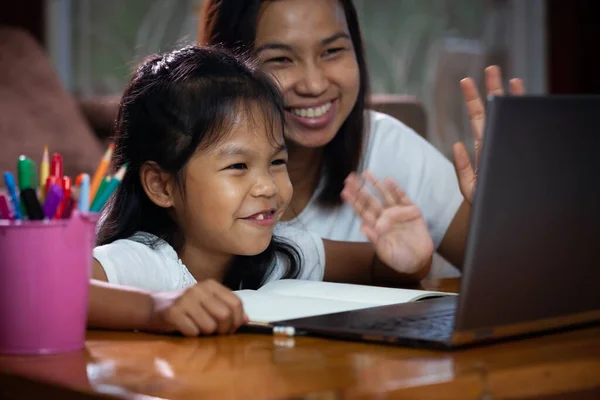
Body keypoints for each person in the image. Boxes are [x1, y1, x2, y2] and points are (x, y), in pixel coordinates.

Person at [87, 45, 434, 337]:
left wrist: (408, 263)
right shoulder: (147, 261)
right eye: (238, 167)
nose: (269, 186)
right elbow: (49, 293)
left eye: (277, 162)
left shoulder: (281, 252)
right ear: (161, 186)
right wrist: (155, 309)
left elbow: (374, 267)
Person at [198, 0, 525, 276]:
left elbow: (516, 275)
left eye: (332, 51)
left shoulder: (386, 145)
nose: (313, 85)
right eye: (281, 59)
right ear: (224, 66)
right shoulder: (188, 170)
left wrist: (510, 212)